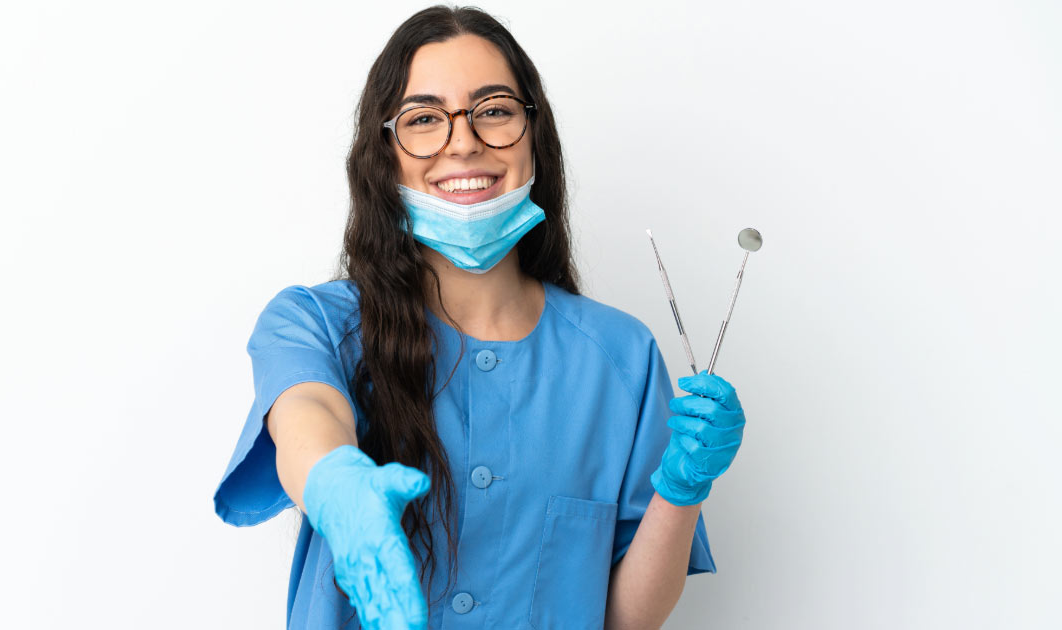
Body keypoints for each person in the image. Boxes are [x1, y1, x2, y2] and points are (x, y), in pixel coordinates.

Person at [212, 6, 747, 629]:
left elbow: (625, 619)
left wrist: (681, 492)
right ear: (383, 155)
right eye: (424, 119)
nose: (463, 141)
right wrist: (335, 483)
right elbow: (308, 413)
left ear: (534, 134)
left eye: (494, 110)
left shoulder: (621, 356)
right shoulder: (313, 323)